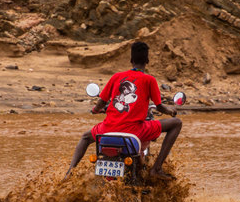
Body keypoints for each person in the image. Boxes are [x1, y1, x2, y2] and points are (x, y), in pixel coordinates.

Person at [65, 41, 182, 180]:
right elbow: (159, 106)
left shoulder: (116, 77)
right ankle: (156, 168)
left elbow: (102, 102)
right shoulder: (149, 80)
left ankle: (69, 174)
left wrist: (95, 110)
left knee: (85, 137)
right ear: (147, 61)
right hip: (134, 131)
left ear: (131, 60)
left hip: (107, 129)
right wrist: (170, 111)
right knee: (176, 123)